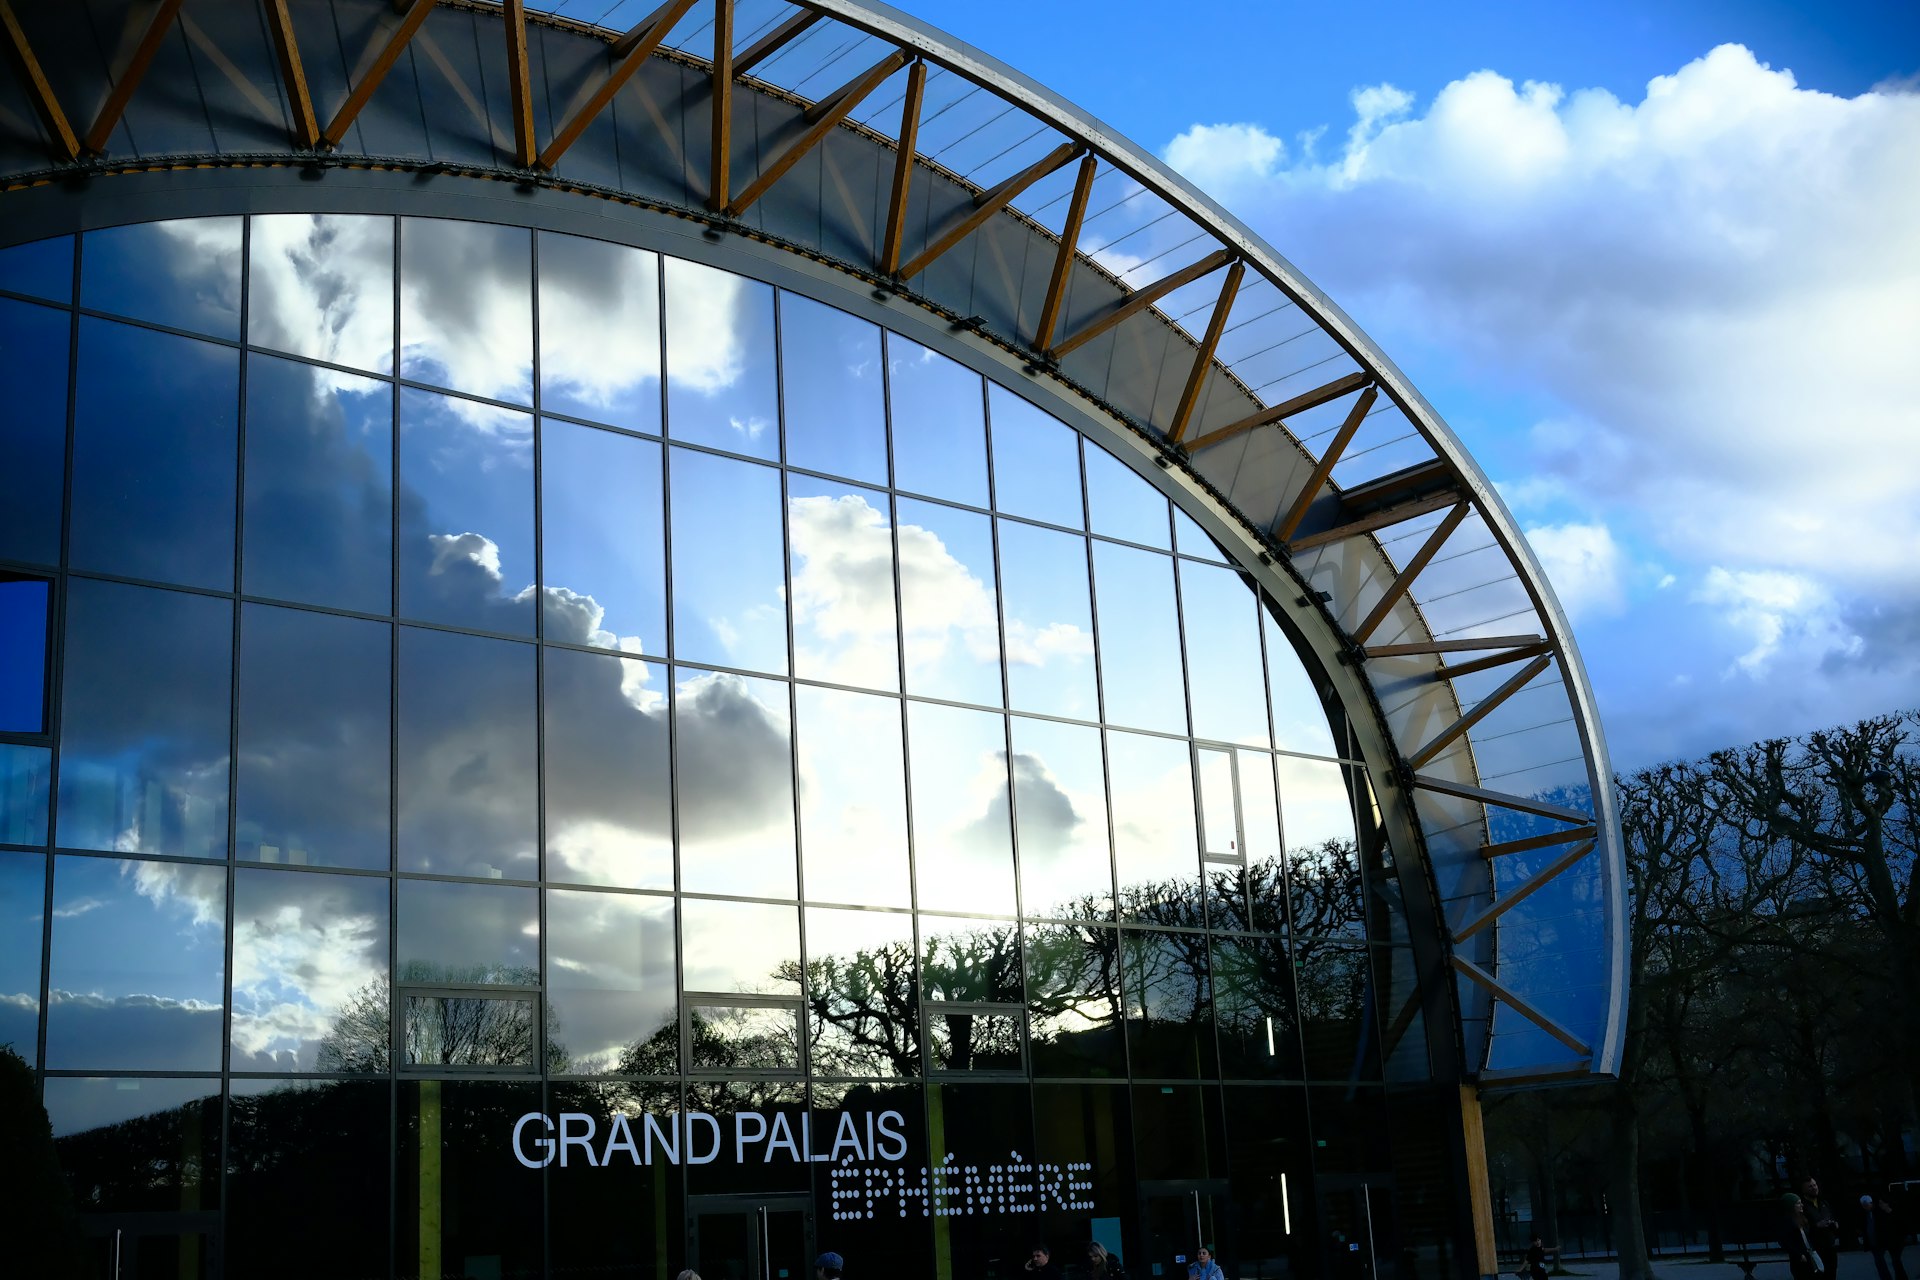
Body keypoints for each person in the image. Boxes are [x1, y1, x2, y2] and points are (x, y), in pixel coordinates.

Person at [1862, 1194, 1911, 1280]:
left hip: (1896, 1242)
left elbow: (1902, 1227)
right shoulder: (1884, 1215)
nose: (1879, 1205)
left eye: (1881, 1203)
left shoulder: (1891, 1214)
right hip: (1891, 1242)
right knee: (1896, 1262)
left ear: (1887, 1203)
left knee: (1896, 1261)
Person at [1803, 1177, 1843, 1280]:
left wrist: (1835, 1224)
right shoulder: (1803, 1207)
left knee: (1832, 1274)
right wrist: (1816, 1226)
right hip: (1816, 1249)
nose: (1814, 1188)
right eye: (1810, 1186)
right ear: (1804, 1189)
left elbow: (1832, 1217)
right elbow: (1802, 1228)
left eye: (1815, 1185)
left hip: (1830, 1246)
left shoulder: (1824, 1203)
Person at [1783, 1193, 1823, 1280]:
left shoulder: (1802, 1218)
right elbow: (1786, 1242)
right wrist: (1798, 1254)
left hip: (1810, 1253)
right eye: (1798, 1203)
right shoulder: (1787, 1222)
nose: (1801, 1205)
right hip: (1800, 1257)